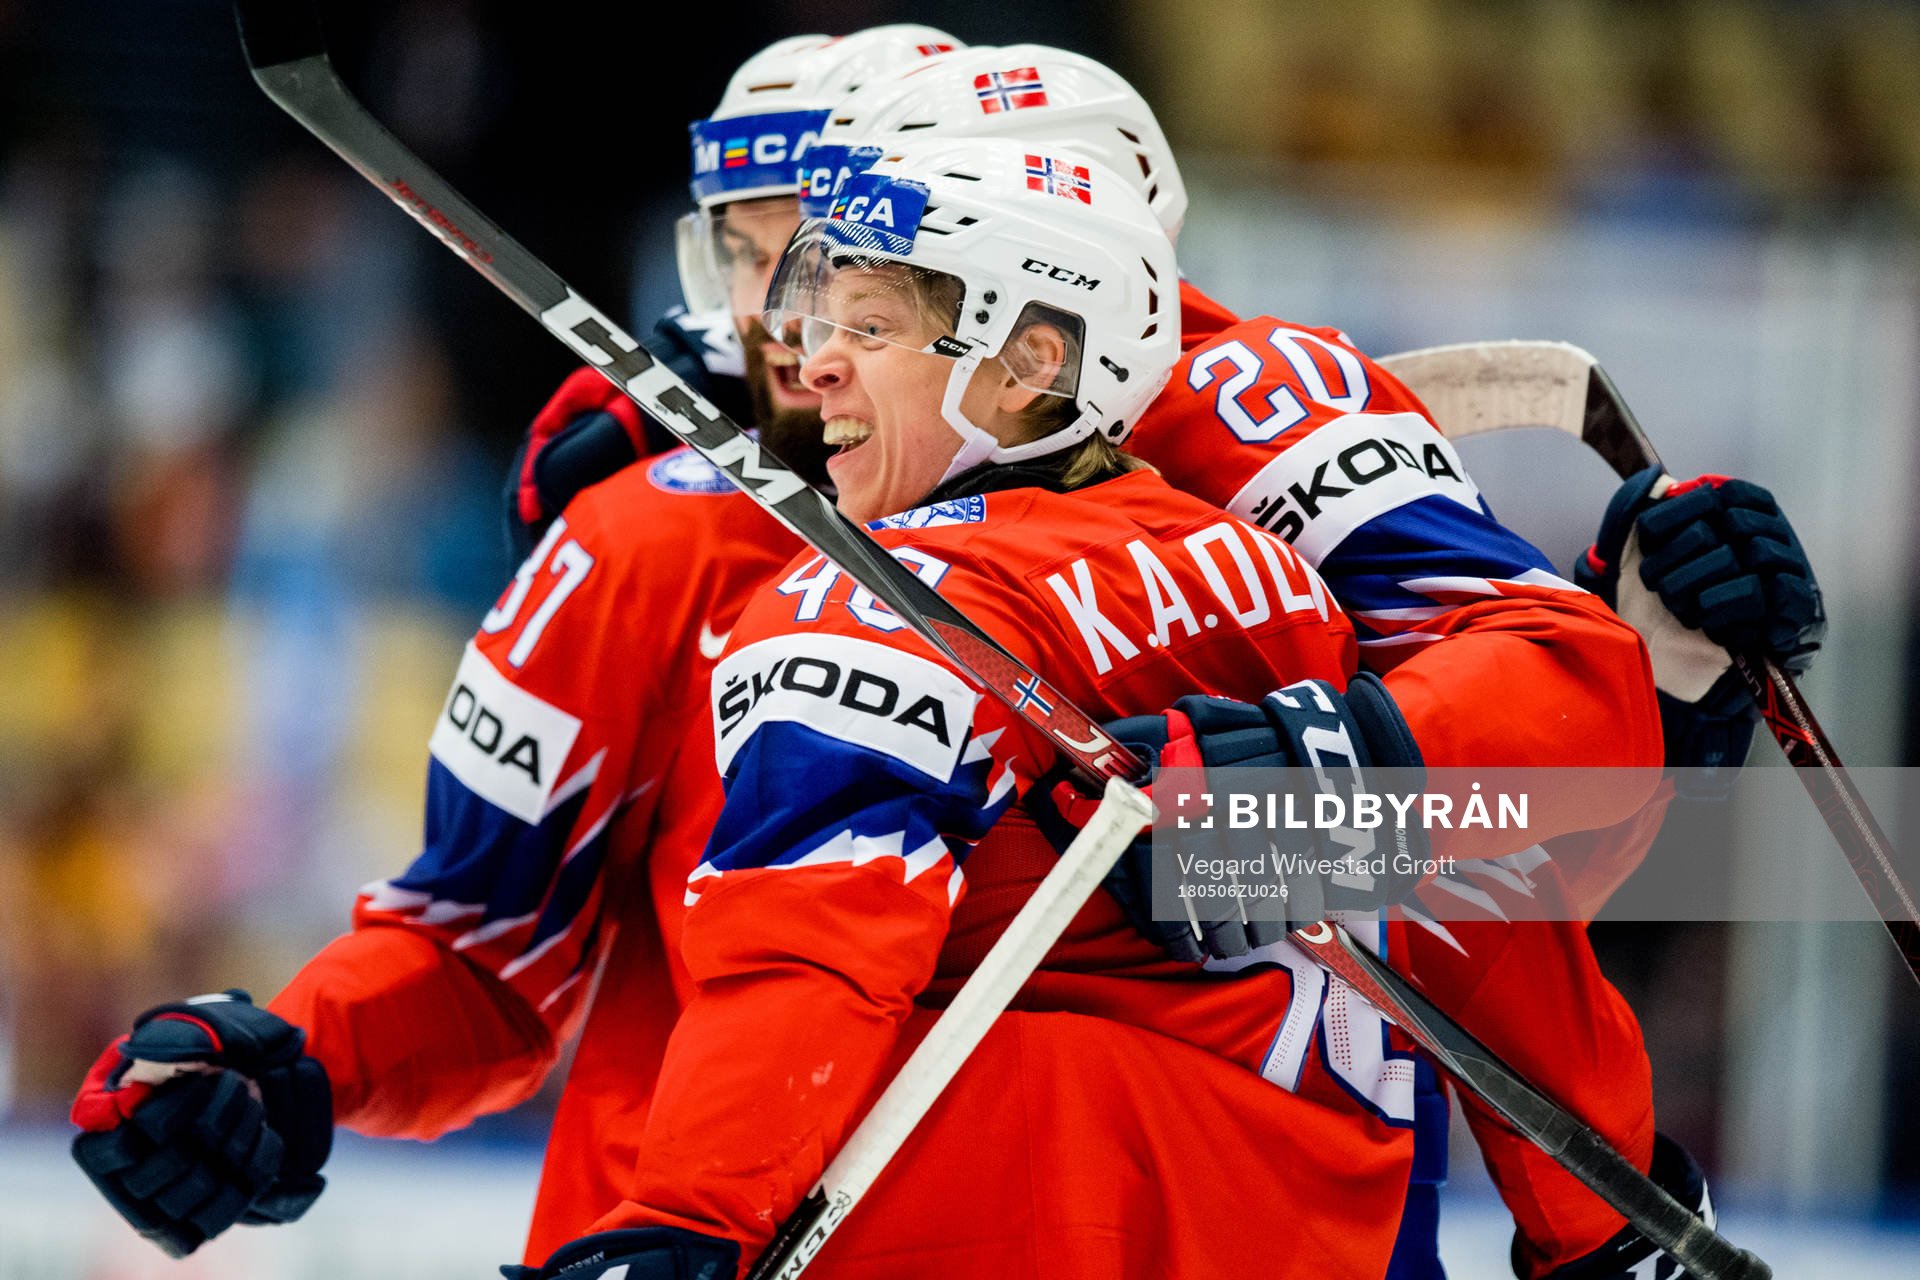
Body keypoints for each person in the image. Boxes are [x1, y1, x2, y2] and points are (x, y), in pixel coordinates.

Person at [66, 26, 964, 1267]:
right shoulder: (649, 542)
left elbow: (1309, 904)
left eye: (816, 253)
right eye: (743, 257)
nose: (772, 318)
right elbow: (483, 946)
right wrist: (293, 1064)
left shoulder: (1203, 524)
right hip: (680, 1242)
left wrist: (1231, 833)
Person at [509, 134, 1426, 1280]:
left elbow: (810, 950)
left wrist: (684, 1223)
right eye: (818, 315)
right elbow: (1482, 871)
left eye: (872, 327)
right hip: (1320, 1215)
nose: (814, 364)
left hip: (1037, 1216)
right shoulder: (1269, 570)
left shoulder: (870, 605)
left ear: (1029, 363)